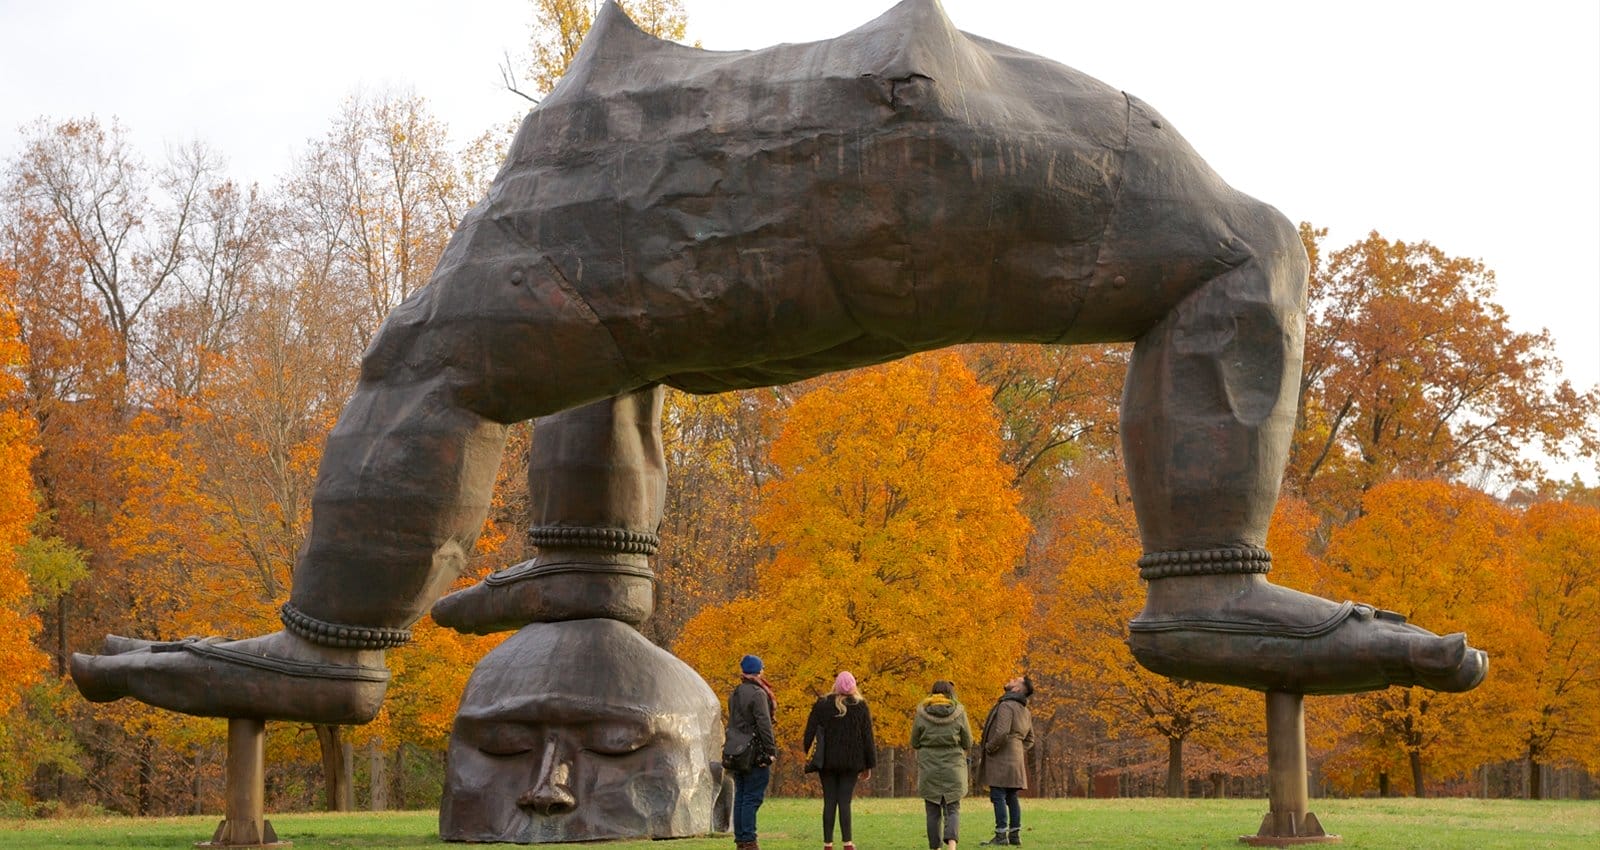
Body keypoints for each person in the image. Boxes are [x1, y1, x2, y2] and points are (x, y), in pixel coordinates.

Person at [802, 671, 876, 850]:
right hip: (851, 762)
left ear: (836, 685)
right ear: (853, 686)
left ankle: (828, 843)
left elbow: (809, 733)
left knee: (829, 801)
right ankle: (847, 843)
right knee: (845, 801)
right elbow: (868, 737)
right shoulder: (860, 706)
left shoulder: (822, 704)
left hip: (826, 762)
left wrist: (809, 753)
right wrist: (869, 764)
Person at [911, 680, 973, 850]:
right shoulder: (959, 712)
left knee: (932, 811)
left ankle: (935, 847)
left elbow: (914, 741)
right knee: (952, 808)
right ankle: (952, 845)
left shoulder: (921, 713)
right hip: (954, 766)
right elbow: (968, 741)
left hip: (929, 766)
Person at [726, 654, 777, 850]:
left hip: (736, 750)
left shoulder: (735, 692)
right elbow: (764, 724)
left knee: (741, 795)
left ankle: (741, 839)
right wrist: (770, 750)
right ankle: (748, 839)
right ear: (757, 670)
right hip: (754, 752)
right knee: (752, 797)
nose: (764, 671)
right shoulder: (758, 694)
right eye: (762, 668)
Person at [977, 676, 1034, 847]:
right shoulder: (1025, 711)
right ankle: (1015, 835)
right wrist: (1017, 749)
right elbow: (1030, 740)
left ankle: (1001, 836)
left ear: (1017, 689)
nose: (1010, 680)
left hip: (1000, 757)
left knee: (998, 795)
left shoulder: (1006, 706)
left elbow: (1001, 732)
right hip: (1015, 758)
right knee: (1011, 796)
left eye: (1015, 680)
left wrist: (989, 747)